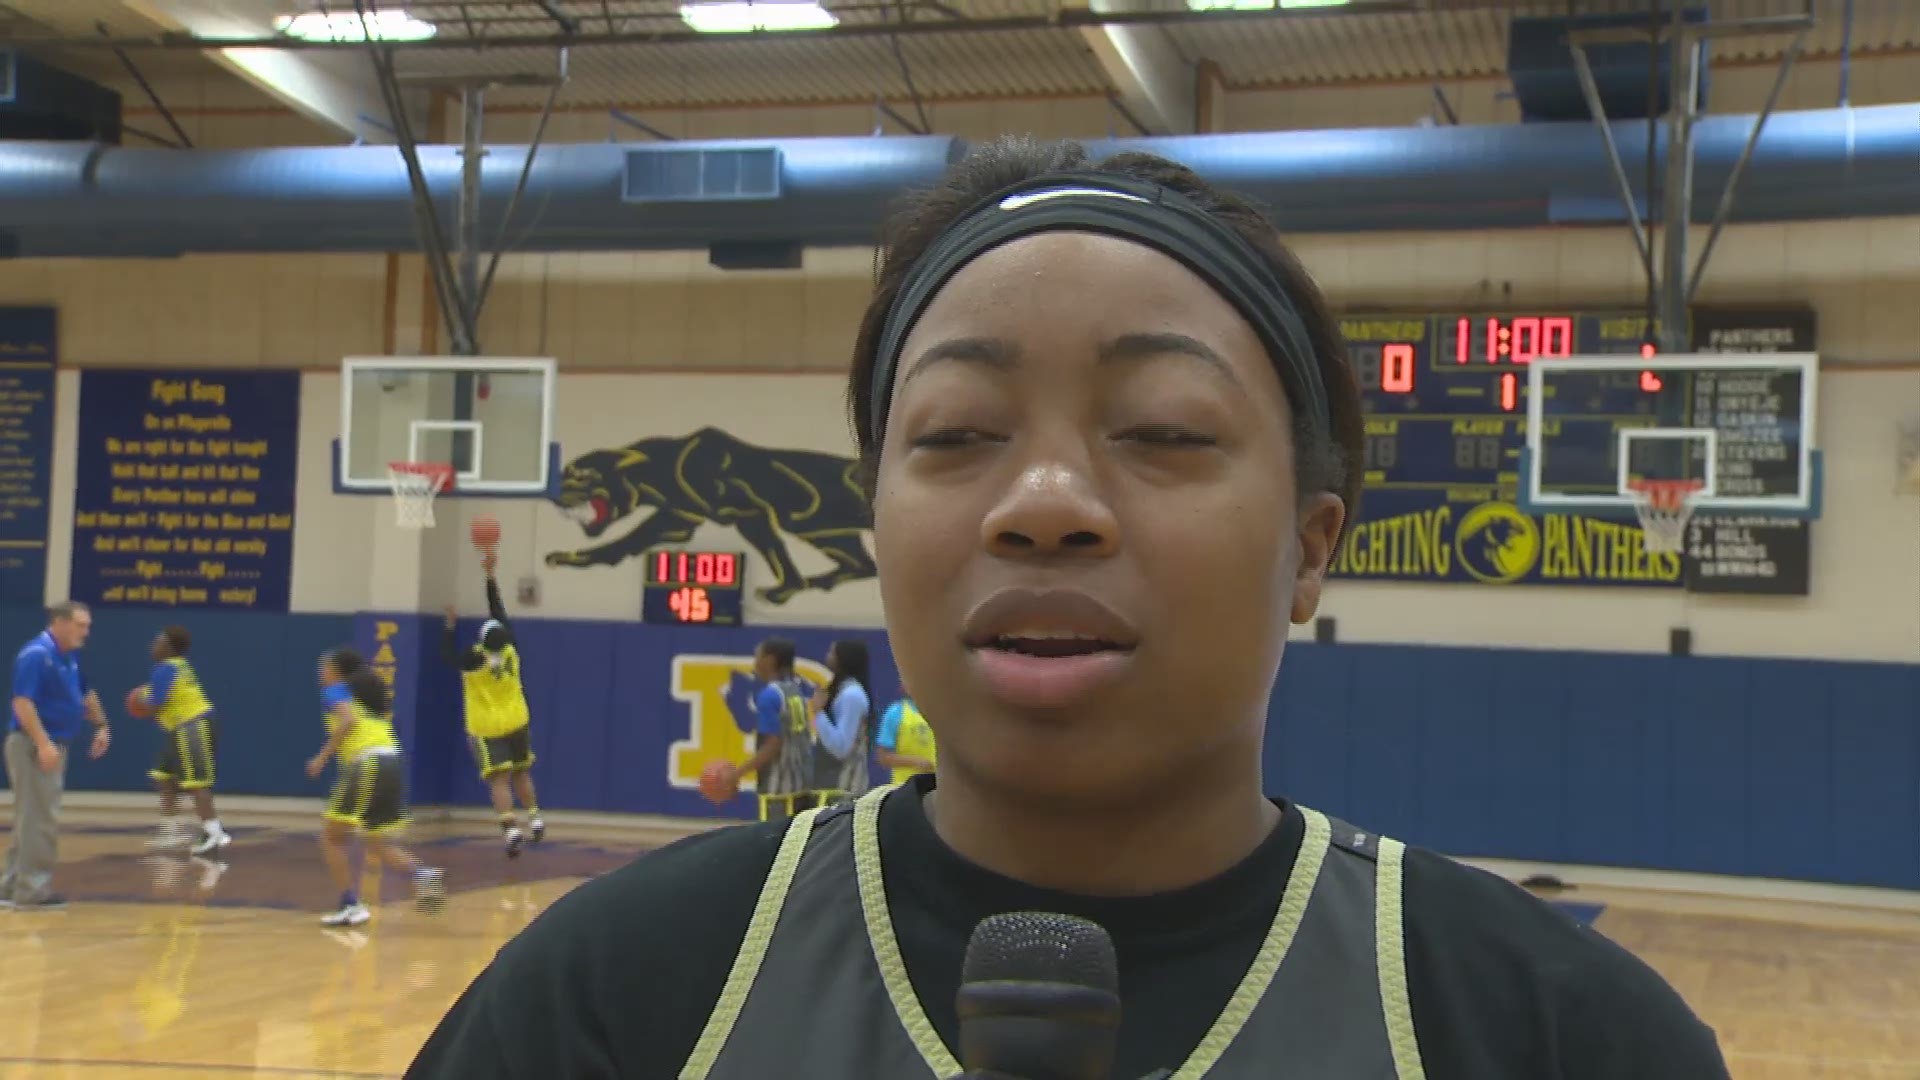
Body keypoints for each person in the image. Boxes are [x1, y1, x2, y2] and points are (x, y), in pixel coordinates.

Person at [407, 138, 1729, 1078]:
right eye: (959, 432)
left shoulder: (1555, 1036)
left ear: (1313, 544)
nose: (1045, 501)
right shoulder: (613, 1002)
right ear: (878, 518)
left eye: (1161, 430)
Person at [309, 648, 445, 927]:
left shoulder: (335, 691)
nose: (320, 673)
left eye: (324, 667)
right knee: (379, 844)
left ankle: (350, 904)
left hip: (367, 761)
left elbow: (348, 721)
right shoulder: (367, 700)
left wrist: (322, 757)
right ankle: (423, 874)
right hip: (392, 760)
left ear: (336, 671)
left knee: (332, 838)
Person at [2, 601, 110, 911]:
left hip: (49, 743)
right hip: (32, 745)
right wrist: (44, 743)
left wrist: (102, 724)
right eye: (80, 625)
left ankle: (11, 887)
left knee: (31, 818)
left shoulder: (68, 656)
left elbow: (85, 693)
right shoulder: (36, 655)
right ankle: (33, 891)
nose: (86, 633)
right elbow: (22, 703)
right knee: (41, 819)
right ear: (59, 623)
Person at [439, 552, 544, 858]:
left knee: (499, 779)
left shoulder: (475, 659)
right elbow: (499, 611)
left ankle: (511, 830)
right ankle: (535, 818)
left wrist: (449, 626)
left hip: (487, 726)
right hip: (517, 719)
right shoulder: (511, 649)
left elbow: (447, 656)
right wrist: (490, 577)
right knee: (522, 773)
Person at [137, 625, 230, 857]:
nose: (152, 645)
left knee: (197, 783)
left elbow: (155, 705)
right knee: (164, 777)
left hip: (193, 725)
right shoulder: (177, 666)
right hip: (181, 727)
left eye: (157, 641)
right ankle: (172, 832)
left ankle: (213, 832)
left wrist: (139, 702)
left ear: (168, 647)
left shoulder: (166, 668)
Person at [702, 637, 813, 820]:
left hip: (778, 790)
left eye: (758, 656)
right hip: (801, 785)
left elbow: (772, 745)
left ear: (769, 660)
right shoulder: (795, 691)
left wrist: (736, 774)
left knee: (775, 845)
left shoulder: (769, 696)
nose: (755, 662)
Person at [807, 638, 873, 800]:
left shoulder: (852, 696)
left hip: (845, 789)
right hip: (832, 787)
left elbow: (841, 747)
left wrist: (819, 713)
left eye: (832, 652)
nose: (827, 656)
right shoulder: (844, 692)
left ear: (844, 658)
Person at [872, 691, 936, 786]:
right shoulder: (896, 713)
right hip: (904, 786)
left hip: (938, 787)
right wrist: (915, 761)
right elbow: (883, 756)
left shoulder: (942, 713)